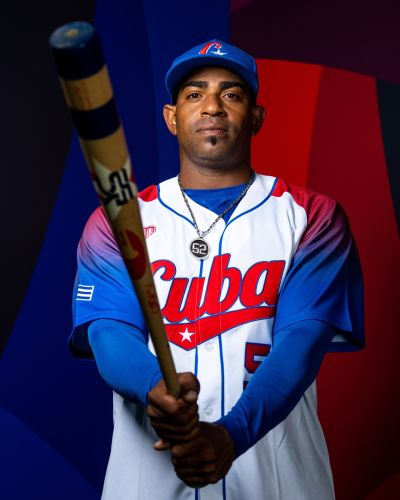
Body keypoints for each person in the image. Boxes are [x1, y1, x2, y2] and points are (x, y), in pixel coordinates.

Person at [70, 40, 364, 500]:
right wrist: (153, 387)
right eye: (194, 94)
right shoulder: (118, 221)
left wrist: (232, 435)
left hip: (277, 480)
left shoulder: (312, 216)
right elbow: (109, 331)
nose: (212, 106)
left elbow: (302, 341)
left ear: (256, 117)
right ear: (171, 118)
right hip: (149, 483)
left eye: (231, 94)